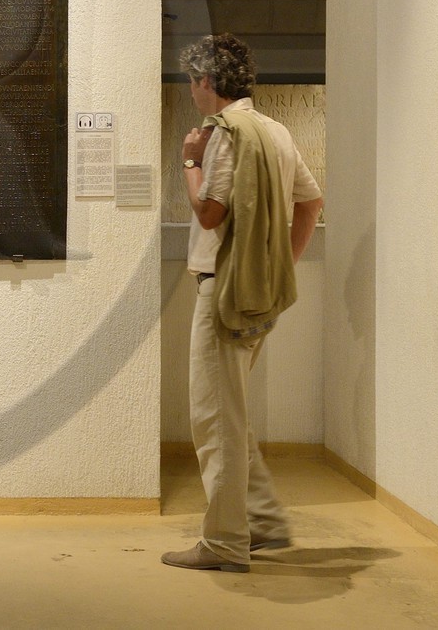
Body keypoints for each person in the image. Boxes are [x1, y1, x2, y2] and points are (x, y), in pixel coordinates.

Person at [162, 34, 324, 573]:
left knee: (215, 420)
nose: (192, 91)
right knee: (231, 411)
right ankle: (262, 523)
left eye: (193, 81)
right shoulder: (274, 130)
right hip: (260, 291)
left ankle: (226, 542)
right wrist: (284, 264)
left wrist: (189, 161)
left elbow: (210, 212)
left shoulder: (226, 135)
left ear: (208, 82)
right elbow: (311, 200)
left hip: (225, 291)